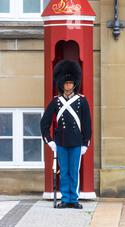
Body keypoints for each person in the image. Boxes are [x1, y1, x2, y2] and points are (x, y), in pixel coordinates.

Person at [40, 60, 91, 209]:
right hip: (61, 142)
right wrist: (49, 141)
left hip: (76, 142)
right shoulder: (56, 102)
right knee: (64, 173)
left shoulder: (82, 101)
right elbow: (45, 122)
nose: (68, 86)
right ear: (61, 84)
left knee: (74, 172)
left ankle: (74, 199)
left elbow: (87, 123)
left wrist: (85, 143)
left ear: (75, 84)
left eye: (70, 83)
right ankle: (65, 198)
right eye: (66, 83)